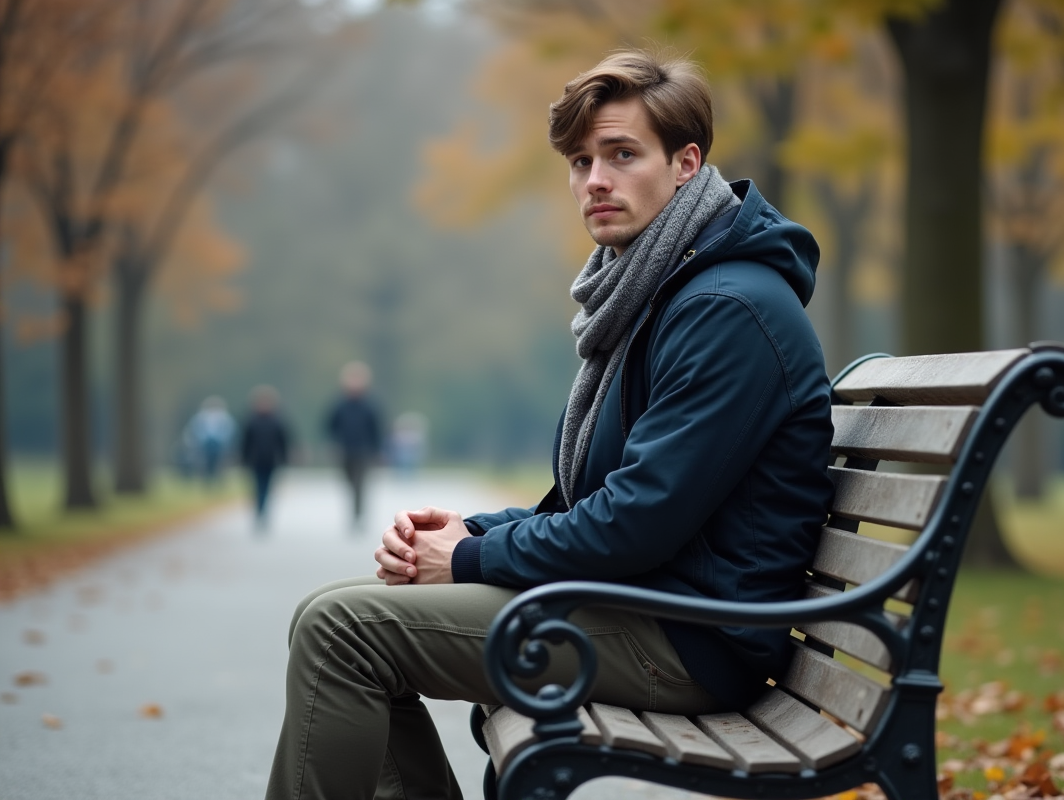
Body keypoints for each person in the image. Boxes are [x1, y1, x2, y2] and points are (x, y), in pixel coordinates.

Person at [266, 49, 833, 800]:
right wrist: (474, 531)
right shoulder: (659, 290)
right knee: (329, 618)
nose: (594, 180)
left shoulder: (724, 309)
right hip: (652, 605)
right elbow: (599, 502)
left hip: (691, 638)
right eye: (579, 161)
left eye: (622, 154)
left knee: (341, 633)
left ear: (687, 163)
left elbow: (636, 522)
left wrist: (468, 561)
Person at [325, 361, 382, 526]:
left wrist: (377, 450)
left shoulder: (370, 405)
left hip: (364, 450)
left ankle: (357, 514)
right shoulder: (339, 404)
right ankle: (354, 508)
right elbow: (331, 425)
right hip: (345, 449)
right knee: (349, 481)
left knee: (360, 483)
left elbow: (376, 428)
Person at [239, 385, 291, 527]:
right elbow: (245, 442)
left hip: (271, 460)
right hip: (256, 460)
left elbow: (283, 441)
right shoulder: (251, 421)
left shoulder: (277, 421)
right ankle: (259, 512)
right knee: (257, 487)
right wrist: (243, 459)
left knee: (268, 488)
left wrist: (285, 458)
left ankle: (264, 512)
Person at [185, 396, 235, 486]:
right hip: (204, 444)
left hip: (219, 444)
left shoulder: (224, 417)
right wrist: (202, 440)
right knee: (204, 464)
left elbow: (229, 431)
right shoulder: (201, 417)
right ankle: (206, 482)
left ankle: (218, 481)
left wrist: (222, 441)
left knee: (219, 464)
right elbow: (195, 429)